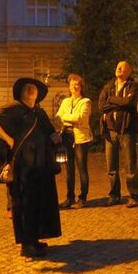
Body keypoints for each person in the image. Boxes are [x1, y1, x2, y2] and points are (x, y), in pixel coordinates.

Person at [0, 78, 62, 259]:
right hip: (22, 167)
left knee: (39, 203)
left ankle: (35, 239)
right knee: (24, 204)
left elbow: (49, 133)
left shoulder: (39, 113)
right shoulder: (13, 109)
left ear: (38, 94)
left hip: (40, 165)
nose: (31, 90)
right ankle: (26, 245)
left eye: (34, 88)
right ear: (21, 92)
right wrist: (8, 140)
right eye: (27, 87)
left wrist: (55, 137)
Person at [99, 60, 138, 207]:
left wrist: (111, 100)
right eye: (118, 66)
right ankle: (114, 195)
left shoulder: (133, 86)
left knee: (130, 165)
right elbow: (101, 105)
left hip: (127, 131)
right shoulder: (109, 86)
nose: (119, 69)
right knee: (111, 167)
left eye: (123, 67)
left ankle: (133, 196)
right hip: (110, 131)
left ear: (129, 71)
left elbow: (129, 103)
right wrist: (119, 103)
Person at [56, 74, 93, 209]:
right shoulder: (66, 101)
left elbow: (81, 118)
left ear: (81, 86)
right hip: (66, 136)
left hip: (80, 138)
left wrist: (66, 117)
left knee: (82, 168)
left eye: (76, 84)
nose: (73, 87)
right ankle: (69, 197)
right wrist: (70, 118)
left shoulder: (86, 101)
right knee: (69, 169)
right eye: (71, 84)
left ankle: (83, 198)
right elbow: (59, 116)